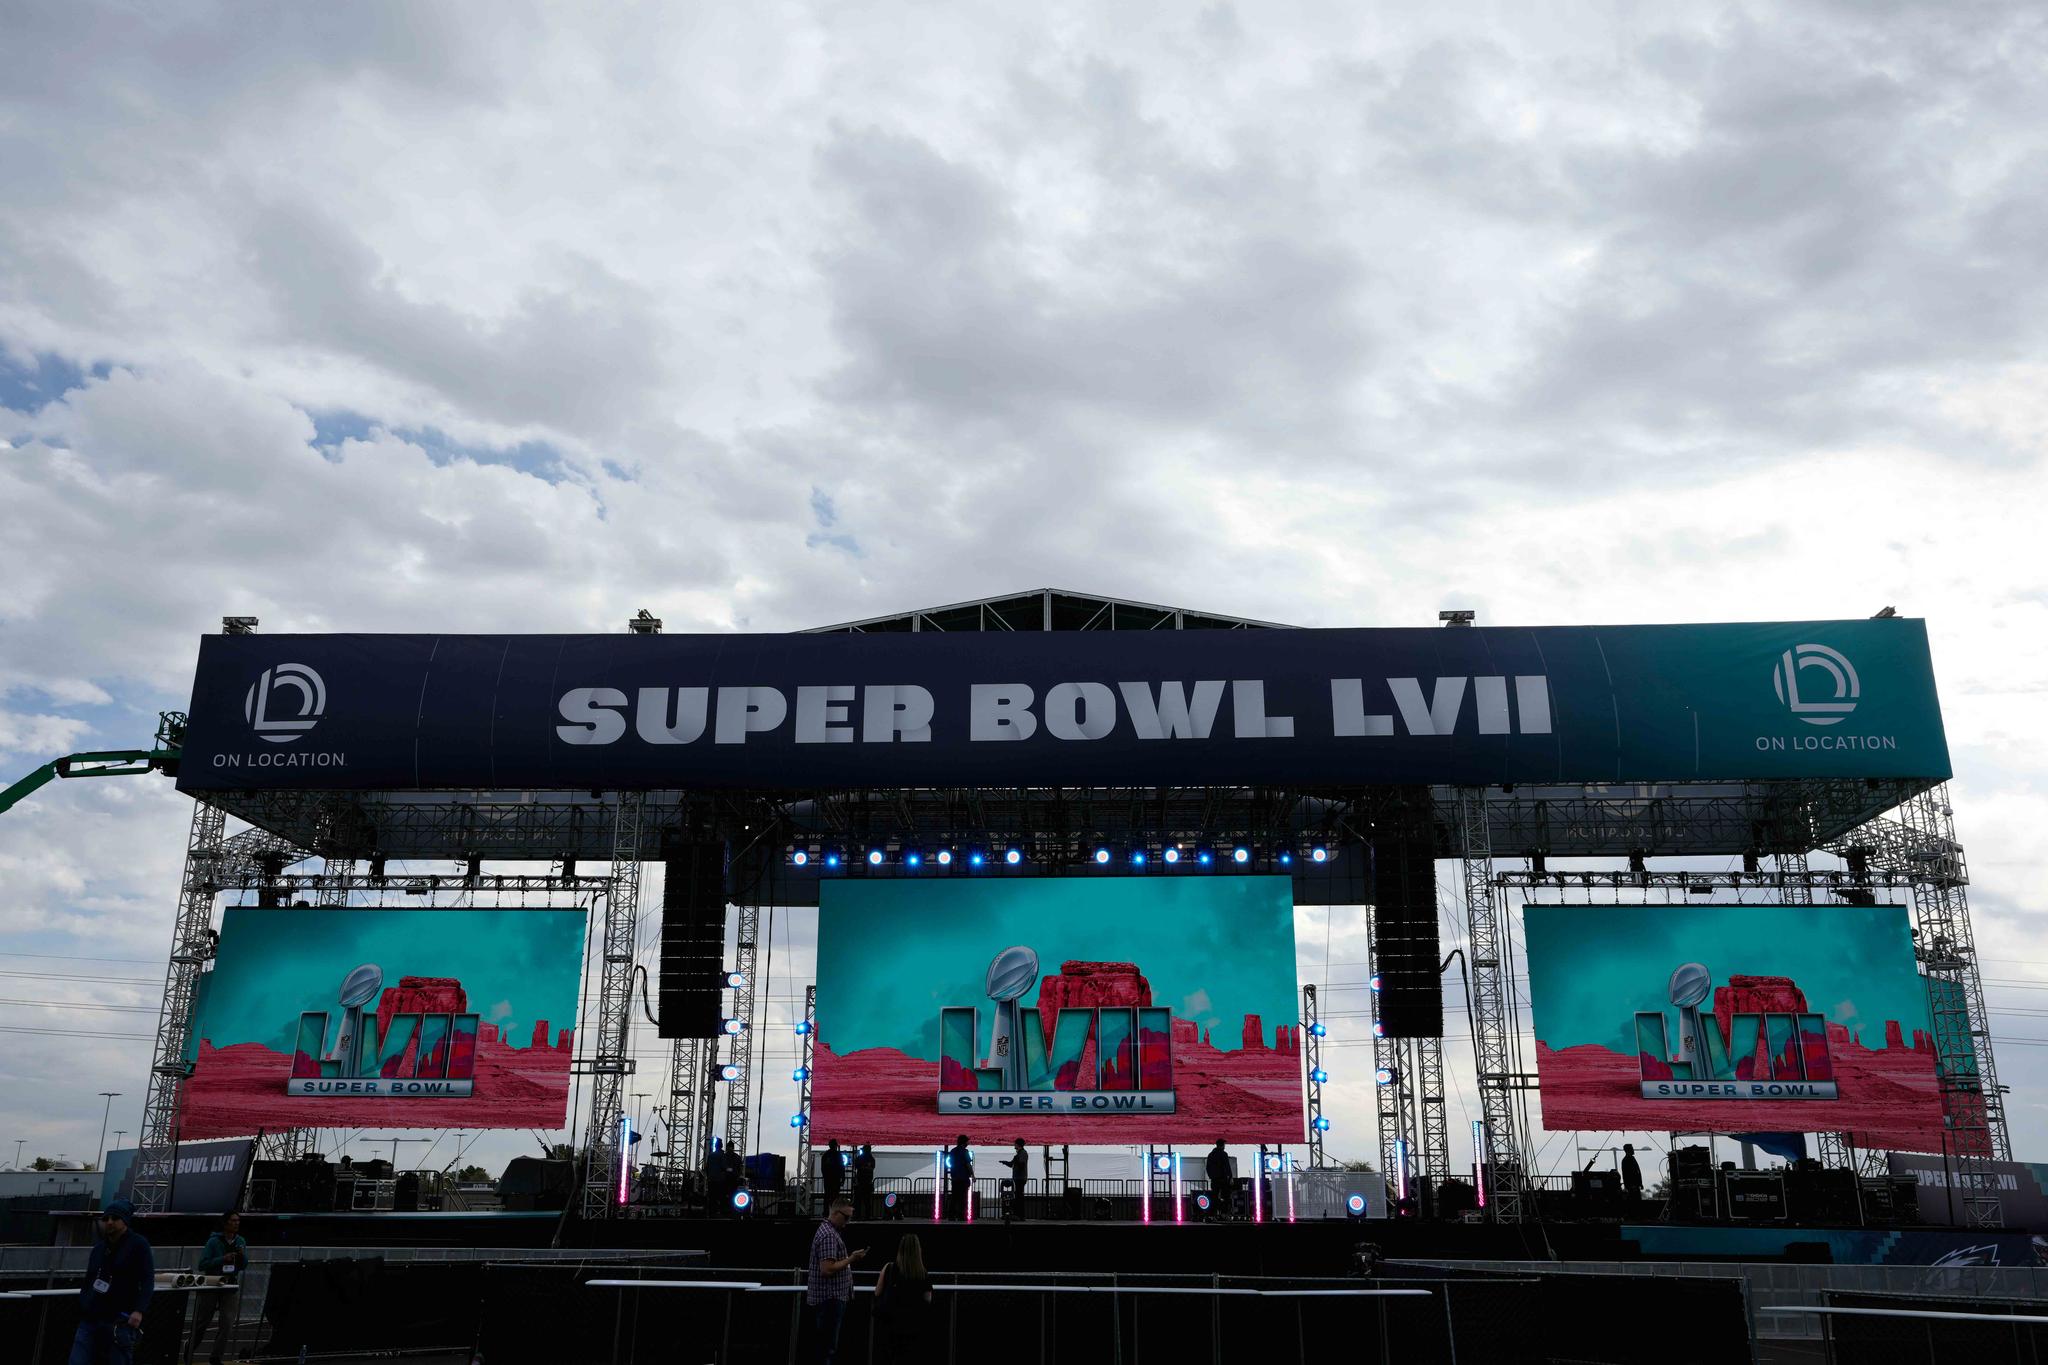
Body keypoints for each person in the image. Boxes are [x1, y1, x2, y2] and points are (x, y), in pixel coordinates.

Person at [72, 1198, 153, 1365]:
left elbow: (147, 1280)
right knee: (77, 1359)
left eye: (115, 1218)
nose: (109, 1222)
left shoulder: (138, 1245)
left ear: (125, 1221)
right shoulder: (99, 1248)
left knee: (119, 1360)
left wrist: (139, 1310)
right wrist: (84, 1302)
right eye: (106, 1218)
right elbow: (89, 1279)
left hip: (120, 1319)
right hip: (92, 1315)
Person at [805, 1197, 865, 1364]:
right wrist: (851, 1258)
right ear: (836, 1213)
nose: (848, 1221)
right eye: (846, 1217)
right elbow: (827, 1269)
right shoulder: (829, 1236)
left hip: (829, 1299)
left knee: (825, 1347)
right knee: (827, 1349)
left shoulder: (827, 1232)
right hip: (829, 1299)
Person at [187, 1210, 246, 1365]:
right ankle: (190, 1347)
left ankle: (215, 1357)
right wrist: (222, 1259)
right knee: (203, 1321)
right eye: (233, 1221)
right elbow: (202, 1264)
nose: (236, 1223)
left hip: (230, 1284)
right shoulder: (213, 1242)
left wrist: (241, 1256)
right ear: (225, 1223)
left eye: (238, 1221)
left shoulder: (240, 1241)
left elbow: (243, 1265)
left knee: (227, 1322)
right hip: (213, 1283)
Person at [873, 1233, 934, 1361]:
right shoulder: (923, 1273)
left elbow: (877, 1292)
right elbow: (928, 1299)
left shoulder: (889, 1268)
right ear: (918, 1250)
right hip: (914, 1325)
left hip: (891, 1325)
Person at [946, 1136, 973, 1221]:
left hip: (954, 1177)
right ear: (964, 1142)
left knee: (954, 1197)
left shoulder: (953, 1151)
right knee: (963, 1198)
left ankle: (951, 1215)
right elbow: (968, 1164)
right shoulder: (965, 1152)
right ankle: (962, 1216)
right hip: (963, 1177)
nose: (968, 1143)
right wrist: (973, 1175)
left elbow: (950, 1162)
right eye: (967, 1142)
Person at [1001, 1140, 1028, 1222]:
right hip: (1017, 1178)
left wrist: (1016, 1160)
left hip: (1020, 1178)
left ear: (1018, 1145)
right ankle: (1018, 1215)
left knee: (1019, 1197)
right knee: (1017, 1196)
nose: (1014, 1145)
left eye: (1015, 1144)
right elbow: (1012, 1164)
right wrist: (1005, 1162)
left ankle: (1021, 1215)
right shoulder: (1018, 1154)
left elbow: (1021, 1164)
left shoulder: (1023, 1153)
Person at [1205, 1140, 1232, 1221]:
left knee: (1214, 1197)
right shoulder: (1224, 1154)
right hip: (1223, 1179)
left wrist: (1211, 1176)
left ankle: (1213, 1215)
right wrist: (1230, 1177)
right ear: (1222, 1145)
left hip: (1214, 1179)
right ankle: (1224, 1214)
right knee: (1226, 1197)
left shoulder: (1211, 1154)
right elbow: (1227, 1167)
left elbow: (1207, 1167)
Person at [852, 1144, 876, 1222]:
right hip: (868, 1182)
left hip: (860, 1182)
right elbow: (872, 1168)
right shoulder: (872, 1159)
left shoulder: (859, 1158)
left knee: (858, 1200)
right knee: (867, 1201)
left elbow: (856, 1166)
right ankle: (867, 1216)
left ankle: (857, 1215)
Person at [822, 1138, 844, 1210]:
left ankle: (826, 1212)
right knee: (835, 1196)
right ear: (836, 1146)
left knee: (827, 1195)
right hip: (836, 1179)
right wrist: (843, 1178)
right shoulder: (838, 1155)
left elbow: (823, 1168)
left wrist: (825, 1176)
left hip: (828, 1179)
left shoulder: (825, 1155)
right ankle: (834, 1212)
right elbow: (842, 1167)